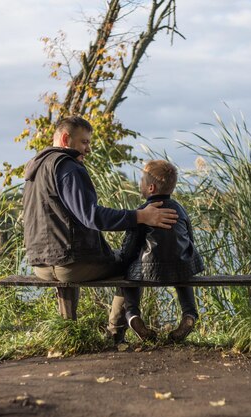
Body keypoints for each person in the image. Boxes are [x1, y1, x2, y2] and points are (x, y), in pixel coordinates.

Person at [22, 116, 178, 342]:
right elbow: (92, 217)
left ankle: (68, 332)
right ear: (66, 138)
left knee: (80, 261)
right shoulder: (67, 167)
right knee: (134, 264)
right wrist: (140, 216)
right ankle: (115, 333)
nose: (88, 148)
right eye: (84, 142)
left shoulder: (36, 168)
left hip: (41, 264)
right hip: (68, 264)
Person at [119, 160, 204, 342]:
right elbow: (189, 237)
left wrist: (123, 260)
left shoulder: (143, 212)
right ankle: (189, 315)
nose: (139, 183)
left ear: (150, 188)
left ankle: (133, 316)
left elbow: (131, 245)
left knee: (128, 276)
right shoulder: (180, 209)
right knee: (184, 271)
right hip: (180, 265)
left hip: (148, 270)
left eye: (141, 180)